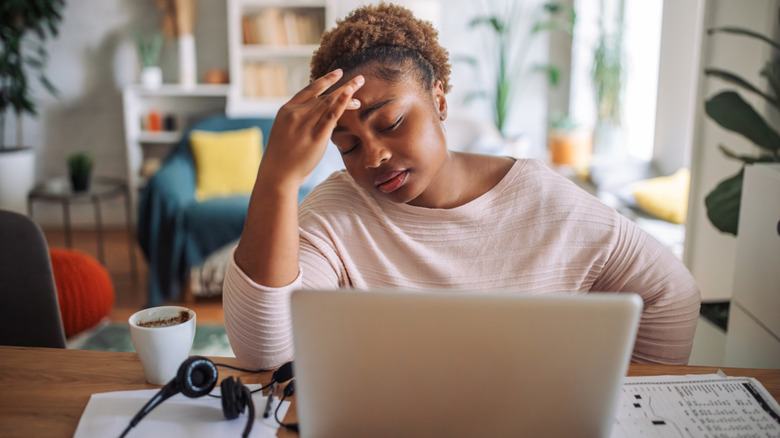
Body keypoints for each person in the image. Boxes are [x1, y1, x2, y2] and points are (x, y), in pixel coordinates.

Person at [223, 4, 700, 370]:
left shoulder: (545, 200)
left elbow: (671, 294)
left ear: (439, 100)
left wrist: (635, 402)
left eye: (389, 122)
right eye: (347, 145)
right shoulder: (336, 212)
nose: (373, 157)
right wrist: (278, 180)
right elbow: (266, 353)